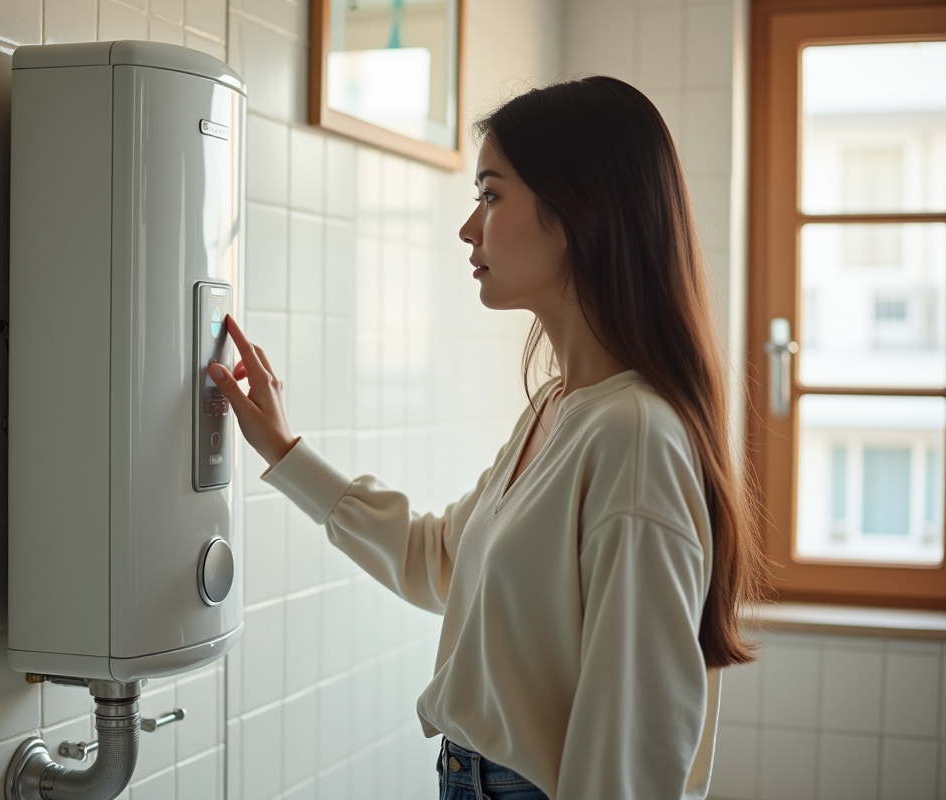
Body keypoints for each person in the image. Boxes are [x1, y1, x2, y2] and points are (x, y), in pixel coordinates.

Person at [207, 76, 769, 800]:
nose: (470, 228)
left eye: (492, 195)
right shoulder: (559, 410)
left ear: (576, 212)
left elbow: (633, 753)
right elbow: (438, 559)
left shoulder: (635, 437)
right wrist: (286, 454)